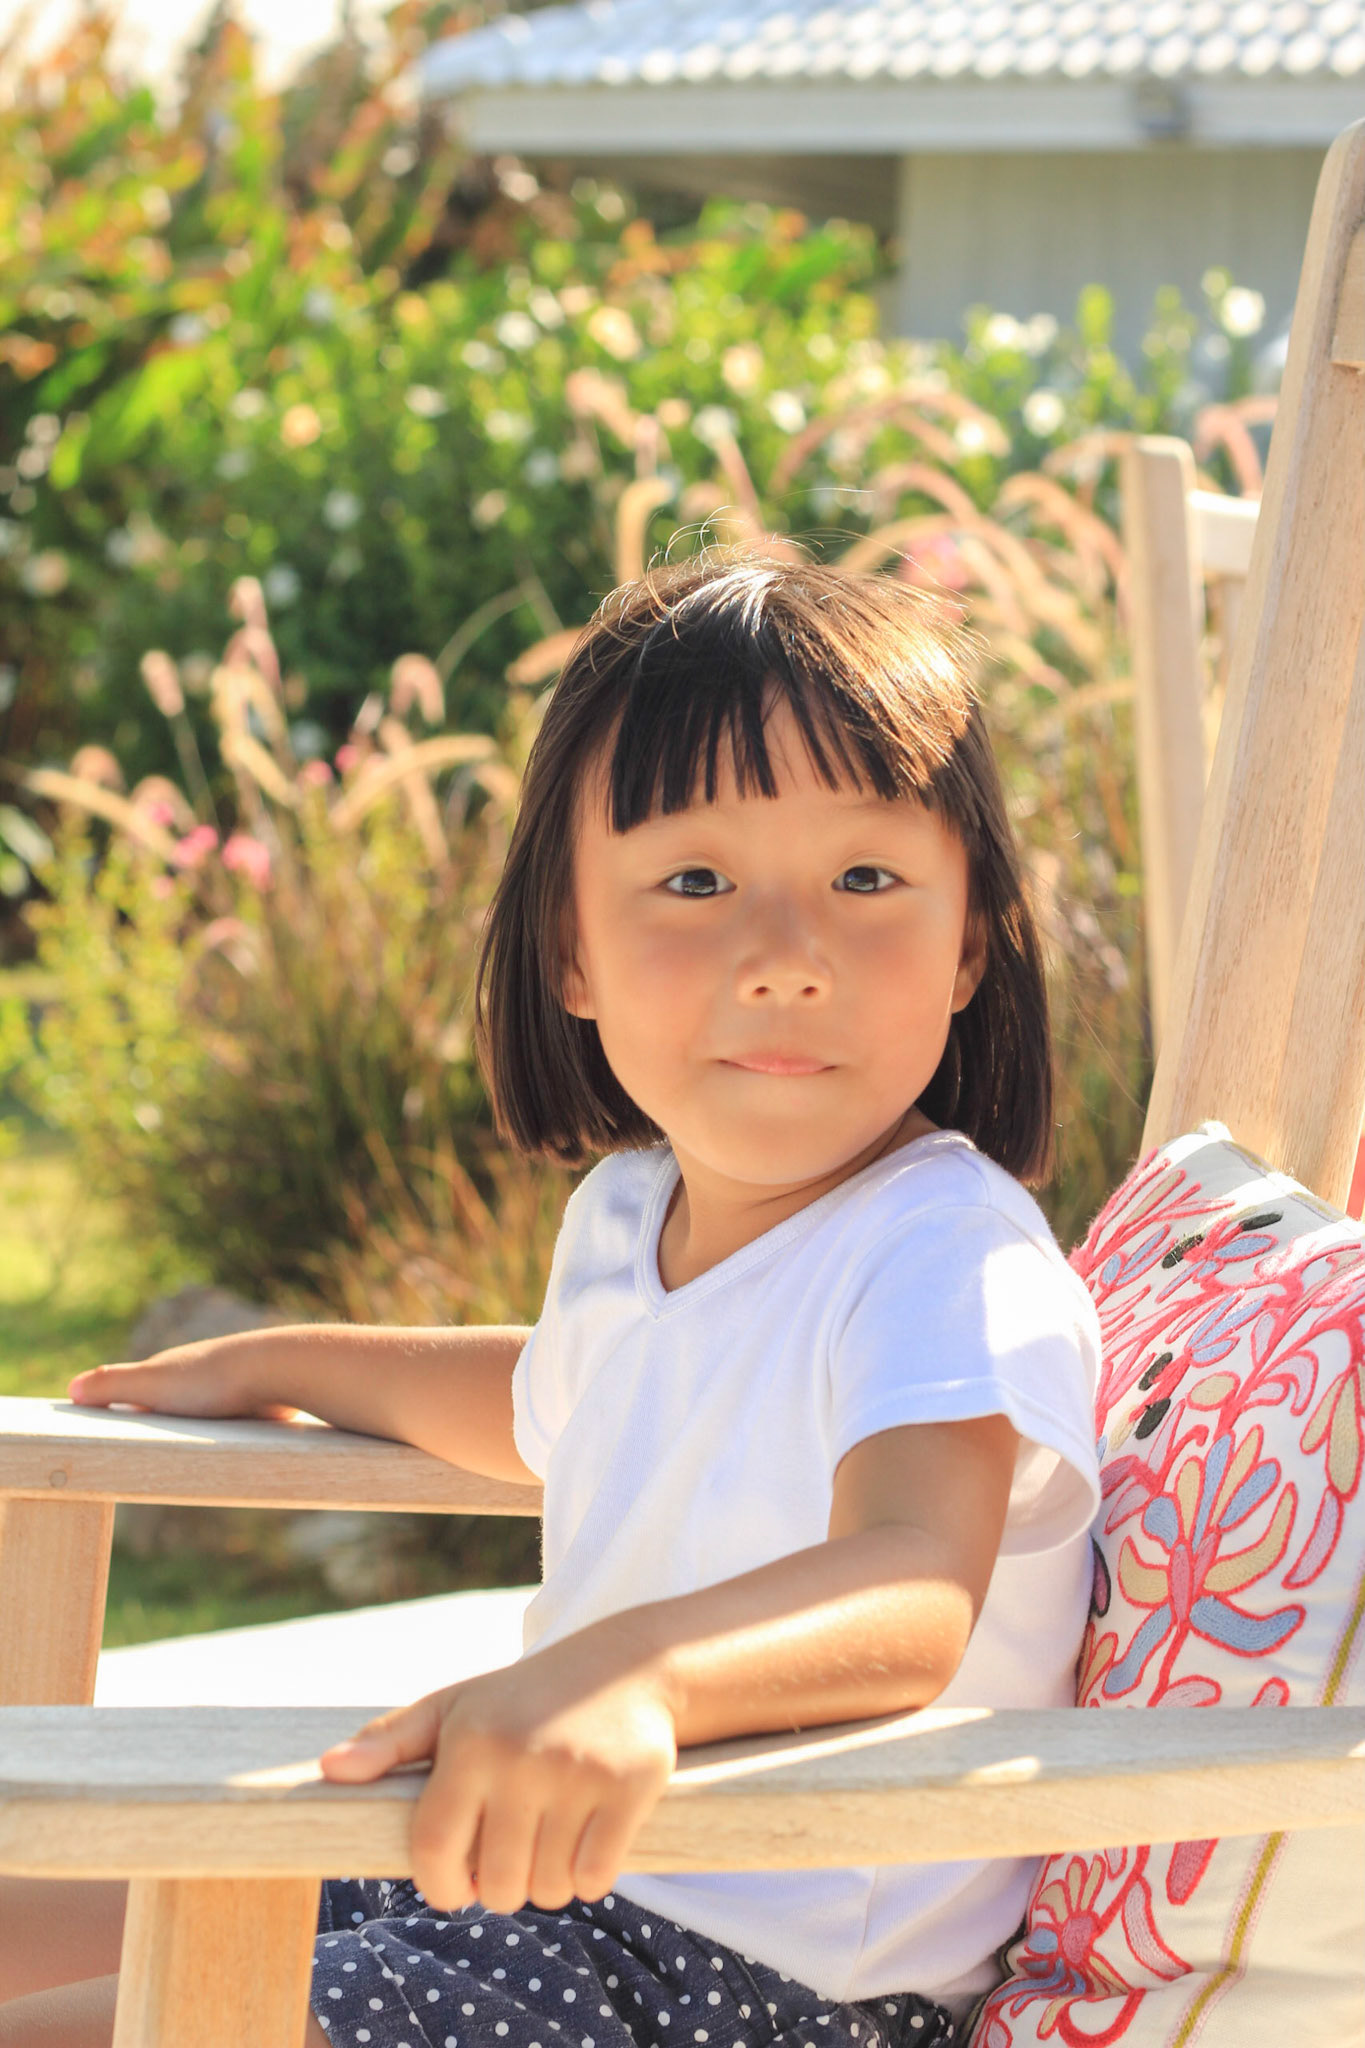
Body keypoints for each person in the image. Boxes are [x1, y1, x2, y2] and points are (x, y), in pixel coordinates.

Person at [0, 548, 1101, 2048]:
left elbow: (910, 1582)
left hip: (756, 1977)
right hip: (542, 1890)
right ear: (569, 949)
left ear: (968, 941)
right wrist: (289, 1360)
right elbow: (552, 1399)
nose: (785, 957)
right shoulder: (630, 1215)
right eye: (696, 881)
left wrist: (630, 1678)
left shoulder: (941, 1250)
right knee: (23, 1912)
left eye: (865, 878)